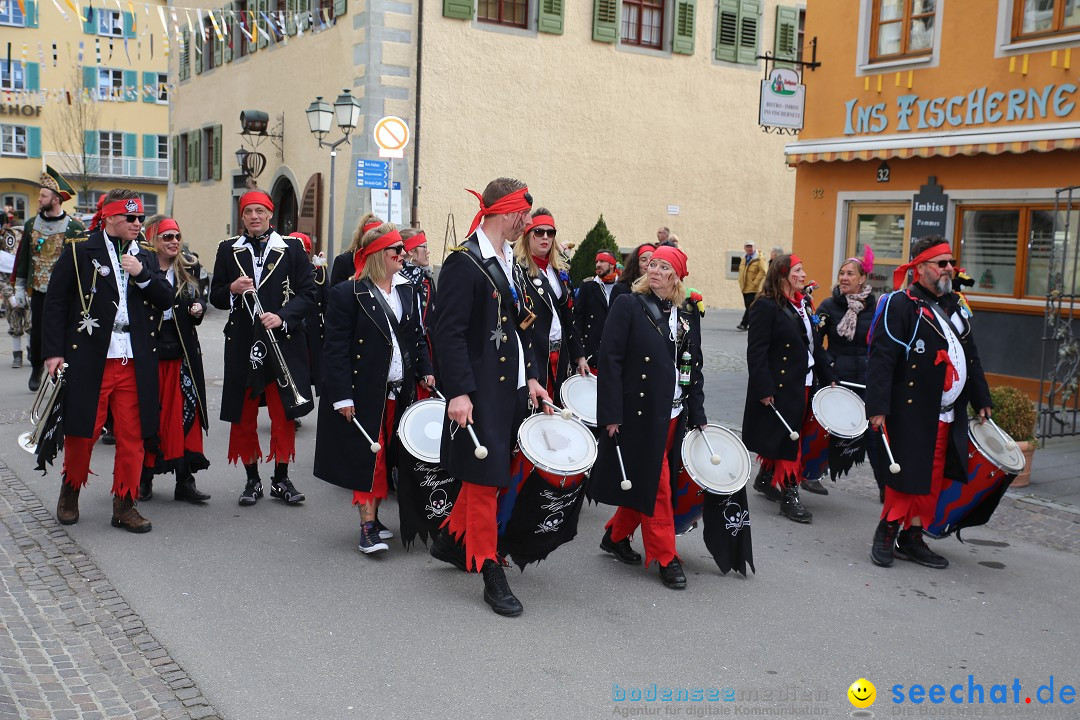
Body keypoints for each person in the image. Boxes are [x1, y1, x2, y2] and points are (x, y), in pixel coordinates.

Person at [428, 177, 551, 617]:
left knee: (496, 471)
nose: (529, 223)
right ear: (508, 211)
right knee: (485, 482)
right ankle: (489, 570)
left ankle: (448, 538)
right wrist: (457, 391)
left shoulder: (507, 260)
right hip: (480, 392)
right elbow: (448, 333)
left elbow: (523, 328)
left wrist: (534, 377)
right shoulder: (465, 261)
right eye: (525, 215)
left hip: (513, 389)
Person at [42, 189, 172, 532]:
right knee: (82, 430)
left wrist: (142, 274)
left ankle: (125, 503)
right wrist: (53, 351)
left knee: (134, 435)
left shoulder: (144, 254)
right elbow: (55, 302)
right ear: (111, 217)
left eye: (140, 218)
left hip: (133, 355)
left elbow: (165, 298)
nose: (138, 223)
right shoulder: (80, 249)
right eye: (130, 218)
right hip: (91, 355)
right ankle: (70, 491)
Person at [866, 236, 992, 569]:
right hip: (910, 410)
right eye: (942, 263)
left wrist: (982, 397)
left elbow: (971, 356)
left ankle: (912, 537)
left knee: (933, 478)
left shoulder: (956, 305)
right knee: (906, 473)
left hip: (949, 413)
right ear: (921, 268)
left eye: (951, 262)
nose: (949, 268)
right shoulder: (900, 304)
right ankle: (887, 530)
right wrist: (877, 407)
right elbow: (882, 359)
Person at [588, 245, 706, 589]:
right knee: (658, 485)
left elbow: (693, 365)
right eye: (652, 264)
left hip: (674, 412)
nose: (654, 270)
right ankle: (666, 556)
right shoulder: (629, 304)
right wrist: (610, 414)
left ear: (677, 276)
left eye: (663, 266)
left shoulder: (687, 312)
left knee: (646, 477)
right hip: (639, 413)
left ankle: (616, 535)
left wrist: (697, 412)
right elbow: (609, 359)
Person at [314, 223, 435, 553]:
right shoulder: (347, 293)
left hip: (401, 388)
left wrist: (426, 371)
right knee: (371, 456)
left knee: (393, 455)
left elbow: (415, 338)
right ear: (379, 255)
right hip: (364, 389)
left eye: (403, 248)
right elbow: (335, 348)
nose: (403, 254)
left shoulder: (408, 289)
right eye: (396, 249)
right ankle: (367, 524)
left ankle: (376, 517)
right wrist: (341, 394)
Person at [209, 190, 316, 507]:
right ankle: (252, 479)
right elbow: (214, 296)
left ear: (270, 215)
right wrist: (232, 288)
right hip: (243, 342)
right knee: (244, 415)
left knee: (284, 412)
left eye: (260, 211)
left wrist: (282, 316)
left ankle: (281, 478)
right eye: (248, 212)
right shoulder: (229, 249)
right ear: (242, 217)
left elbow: (308, 294)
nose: (254, 216)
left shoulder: (292, 248)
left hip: (283, 341)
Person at [742, 254, 837, 524]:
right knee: (790, 440)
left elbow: (814, 345)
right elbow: (756, 351)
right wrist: (763, 387)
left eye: (802, 269)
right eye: (797, 269)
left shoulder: (803, 304)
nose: (803, 274)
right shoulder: (765, 306)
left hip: (804, 382)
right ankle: (789, 495)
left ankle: (766, 478)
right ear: (783, 274)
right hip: (780, 385)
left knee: (792, 435)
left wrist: (829, 376)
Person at [138, 216, 211, 504]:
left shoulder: (189, 265)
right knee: (150, 416)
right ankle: (144, 477)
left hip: (182, 349)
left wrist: (198, 308)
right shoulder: (142, 266)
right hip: (151, 348)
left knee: (186, 416)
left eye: (177, 236)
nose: (173, 242)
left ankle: (185, 480)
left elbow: (201, 299)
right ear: (153, 240)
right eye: (167, 237)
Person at [813, 247, 882, 498]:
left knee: (874, 430)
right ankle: (811, 473)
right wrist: (828, 363)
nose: (843, 278)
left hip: (866, 378)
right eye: (841, 273)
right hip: (836, 378)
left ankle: (884, 484)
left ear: (862, 278)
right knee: (829, 430)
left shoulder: (877, 307)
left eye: (850, 274)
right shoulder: (829, 306)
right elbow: (813, 340)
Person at [16, 166, 85, 391]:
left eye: (43, 195)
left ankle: (61, 373)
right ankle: (36, 366)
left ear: (55, 199)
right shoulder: (30, 224)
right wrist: (20, 285)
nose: (39, 199)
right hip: (38, 289)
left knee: (65, 332)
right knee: (37, 333)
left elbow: (79, 261)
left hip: (66, 292)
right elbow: (23, 257)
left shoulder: (74, 228)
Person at [514, 208, 588, 400]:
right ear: (527, 235)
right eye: (538, 232)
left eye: (550, 232)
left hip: (560, 353)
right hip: (535, 353)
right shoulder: (517, 270)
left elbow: (568, 315)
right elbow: (519, 320)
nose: (545, 237)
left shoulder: (559, 270)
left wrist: (579, 355)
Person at [290, 231, 327, 405]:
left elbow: (326, 301)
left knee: (309, 369)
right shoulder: (282, 269)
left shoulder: (318, 272)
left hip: (311, 327)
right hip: (289, 326)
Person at [399, 227, 436, 397]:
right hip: (408, 356)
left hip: (427, 353)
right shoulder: (400, 281)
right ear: (411, 252)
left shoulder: (425, 279)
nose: (428, 252)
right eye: (424, 247)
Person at [573, 250, 619, 372]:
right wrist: (580, 355)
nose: (598, 264)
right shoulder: (587, 286)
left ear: (612, 264)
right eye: (597, 261)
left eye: (602, 261)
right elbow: (577, 322)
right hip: (591, 357)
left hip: (618, 355)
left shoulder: (623, 287)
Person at [1, 218, 30, 368]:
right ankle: (17, 356)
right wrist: (10, 296)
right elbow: (1, 278)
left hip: (28, 290)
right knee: (15, 325)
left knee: (31, 324)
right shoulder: (3, 253)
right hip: (10, 292)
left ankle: (32, 352)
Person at [330, 213, 382, 286]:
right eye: (371, 237)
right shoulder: (344, 261)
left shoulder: (386, 261)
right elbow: (335, 293)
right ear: (362, 237)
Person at [736, 241, 766, 331]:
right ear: (745, 248)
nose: (749, 248)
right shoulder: (744, 258)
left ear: (754, 247)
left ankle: (744, 323)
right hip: (745, 287)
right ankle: (755, 323)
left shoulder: (759, 258)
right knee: (749, 306)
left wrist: (755, 282)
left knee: (750, 306)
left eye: (751, 246)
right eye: (747, 247)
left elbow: (763, 271)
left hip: (754, 288)